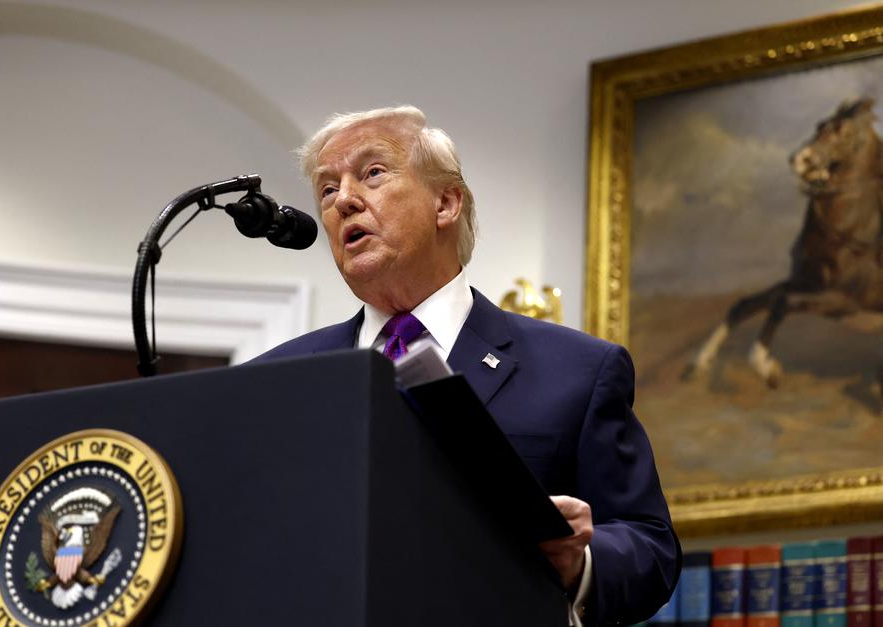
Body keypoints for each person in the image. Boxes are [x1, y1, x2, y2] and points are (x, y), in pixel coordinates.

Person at [256, 105, 681, 625]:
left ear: (446, 203)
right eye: (327, 189)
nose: (343, 200)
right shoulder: (277, 379)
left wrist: (579, 562)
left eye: (372, 173)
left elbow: (651, 548)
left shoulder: (580, 371)